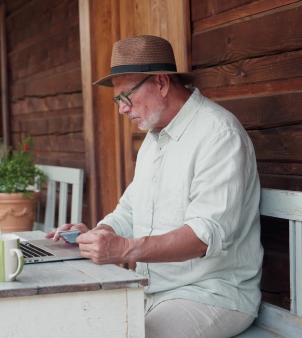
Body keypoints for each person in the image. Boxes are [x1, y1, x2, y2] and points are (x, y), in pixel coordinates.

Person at [46, 35, 263, 338]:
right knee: (71, 323)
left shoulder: (219, 134)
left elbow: (203, 237)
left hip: (211, 294)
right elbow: (130, 210)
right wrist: (100, 233)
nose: (122, 109)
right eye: (118, 99)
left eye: (126, 96)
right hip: (151, 292)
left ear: (161, 82)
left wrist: (123, 249)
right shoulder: (154, 139)